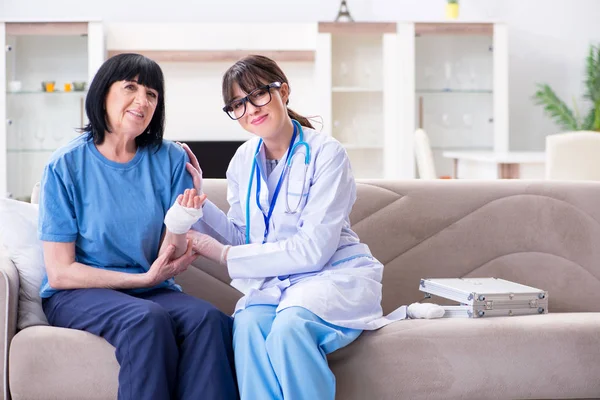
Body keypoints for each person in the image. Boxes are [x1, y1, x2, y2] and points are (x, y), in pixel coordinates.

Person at [178, 55, 445, 400]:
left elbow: (314, 249)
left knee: (290, 327)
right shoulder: (243, 159)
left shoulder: (326, 153)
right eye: (238, 104)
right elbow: (245, 238)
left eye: (258, 94)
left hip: (329, 276)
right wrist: (198, 197)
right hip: (278, 286)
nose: (251, 109)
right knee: (245, 326)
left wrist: (224, 254)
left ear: (283, 91)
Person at [38, 53, 239, 400]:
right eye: (130, 87)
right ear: (102, 93)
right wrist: (142, 280)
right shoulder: (65, 166)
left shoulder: (171, 159)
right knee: (147, 320)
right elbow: (60, 273)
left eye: (152, 93)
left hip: (151, 290)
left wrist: (184, 215)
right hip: (78, 294)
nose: (142, 101)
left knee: (210, 320)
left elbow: (170, 249)